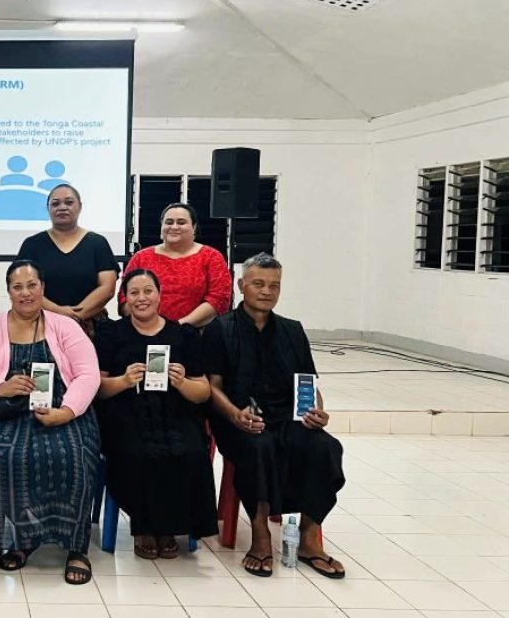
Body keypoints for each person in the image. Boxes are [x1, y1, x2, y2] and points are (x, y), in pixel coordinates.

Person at [0, 260, 101, 586]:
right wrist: (0, 387)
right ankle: (15, 541)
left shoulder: (65, 327)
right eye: (17, 287)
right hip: (4, 413)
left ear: (42, 289)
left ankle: (76, 547)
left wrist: (68, 410)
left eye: (31, 285)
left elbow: (88, 374)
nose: (25, 293)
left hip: (63, 410)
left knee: (72, 455)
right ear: (8, 292)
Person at [203, 253, 345, 579]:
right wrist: (236, 415)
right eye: (258, 284)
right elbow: (213, 388)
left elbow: (308, 384)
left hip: (287, 417)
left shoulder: (292, 331)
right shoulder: (219, 330)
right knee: (258, 447)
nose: (266, 291)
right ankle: (260, 533)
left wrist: (317, 411)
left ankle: (309, 536)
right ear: (242, 286)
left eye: (274, 286)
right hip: (238, 421)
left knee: (324, 447)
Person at [94, 269, 217, 559]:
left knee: (191, 450)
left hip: (174, 412)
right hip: (126, 413)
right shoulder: (111, 333)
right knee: (137, 452)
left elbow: (204, 391)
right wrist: (123, 381)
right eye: (134, 292)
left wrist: (183, 383)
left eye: (148, 291)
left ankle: (171, 527)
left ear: (160, 296)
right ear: (125, 298)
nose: (141, 298)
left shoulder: (184, 334)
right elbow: (97, 388)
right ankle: (145, 527)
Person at [16, 184, 119, 334]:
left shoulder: (98, 243)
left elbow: (107, 287)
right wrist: (59, 313)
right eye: (55, 203)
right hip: (41, 326)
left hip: (90, 327)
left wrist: (76, 316)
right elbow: (23, 287)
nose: (62, 207)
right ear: (48, 209)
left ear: (80, 206)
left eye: (69, 202)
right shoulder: (32, 245)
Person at [118, 202, 230, 326]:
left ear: (194, 227)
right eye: (169, 222)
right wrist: (152, 326)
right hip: (144, 333)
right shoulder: (141, 258)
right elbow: (124, 296)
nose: (174, 227)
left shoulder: (211, 257)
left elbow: (218, 299)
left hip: (196, 334)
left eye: (181, 222)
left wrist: (177, 327)